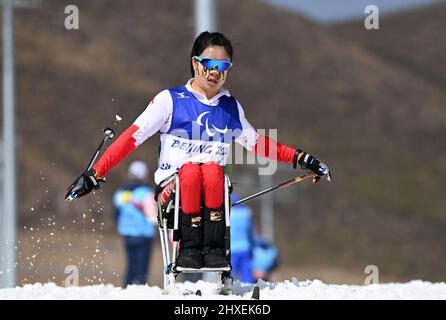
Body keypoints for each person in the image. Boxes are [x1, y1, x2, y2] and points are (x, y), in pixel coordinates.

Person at [65, 31, 329, 270]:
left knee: (214, 171)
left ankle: (213, 248)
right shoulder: (169, 100)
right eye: (209, 65)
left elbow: (259, 144)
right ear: (195, 63)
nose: (215, 72)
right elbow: (131, 138)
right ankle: (189, 247)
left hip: (213, 192)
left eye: (223, 67)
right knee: (190, 172)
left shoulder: (230, 107)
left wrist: (302, 158)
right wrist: (95, 172)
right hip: (174, 190)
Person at [113, 160, 157, 286]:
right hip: (144, 235)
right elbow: (152, 216)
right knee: (142, 267)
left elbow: (115, 213)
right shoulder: (147, 193)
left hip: (127, 234)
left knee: (130, 264)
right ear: (144, 176)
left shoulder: (120, 193)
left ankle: (127, 287)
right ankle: (140, 290)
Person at [230, 194, 255, 284]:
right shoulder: (247, 212)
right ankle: (251, 290)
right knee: (247, 273)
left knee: (230, 273)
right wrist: (252, 246)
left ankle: (228, 291)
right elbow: (250, 231)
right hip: (245, 247)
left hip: (232, 249)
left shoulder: (229, 213)